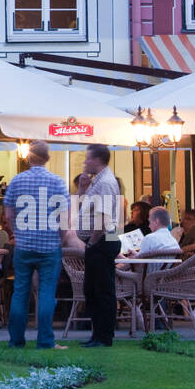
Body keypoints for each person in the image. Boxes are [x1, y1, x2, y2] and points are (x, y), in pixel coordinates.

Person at [1, 139, 67, 350]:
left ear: (29, 157)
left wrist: (17, 233)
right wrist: (62, 238)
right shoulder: (57, 182)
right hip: (49, 245)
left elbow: (9, 214)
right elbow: (64, 219)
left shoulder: (17, 181)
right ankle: (46, 340)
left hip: (24, 245)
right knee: (47, 292)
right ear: (48, 158)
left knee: (20, 291)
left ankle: (16, 340)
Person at [74, 143, 123, 348]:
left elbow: (103, 217)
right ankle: (97, 335)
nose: (85, 162)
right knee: (93, 290)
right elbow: (83, 209)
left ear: (97, 160)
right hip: (101, 240)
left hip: (102, 240)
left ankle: (104, 337)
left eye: (87, 158)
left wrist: (92, 242)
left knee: (101, 290)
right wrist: (82, 188)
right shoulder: (97, 182)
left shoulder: (104, 183)